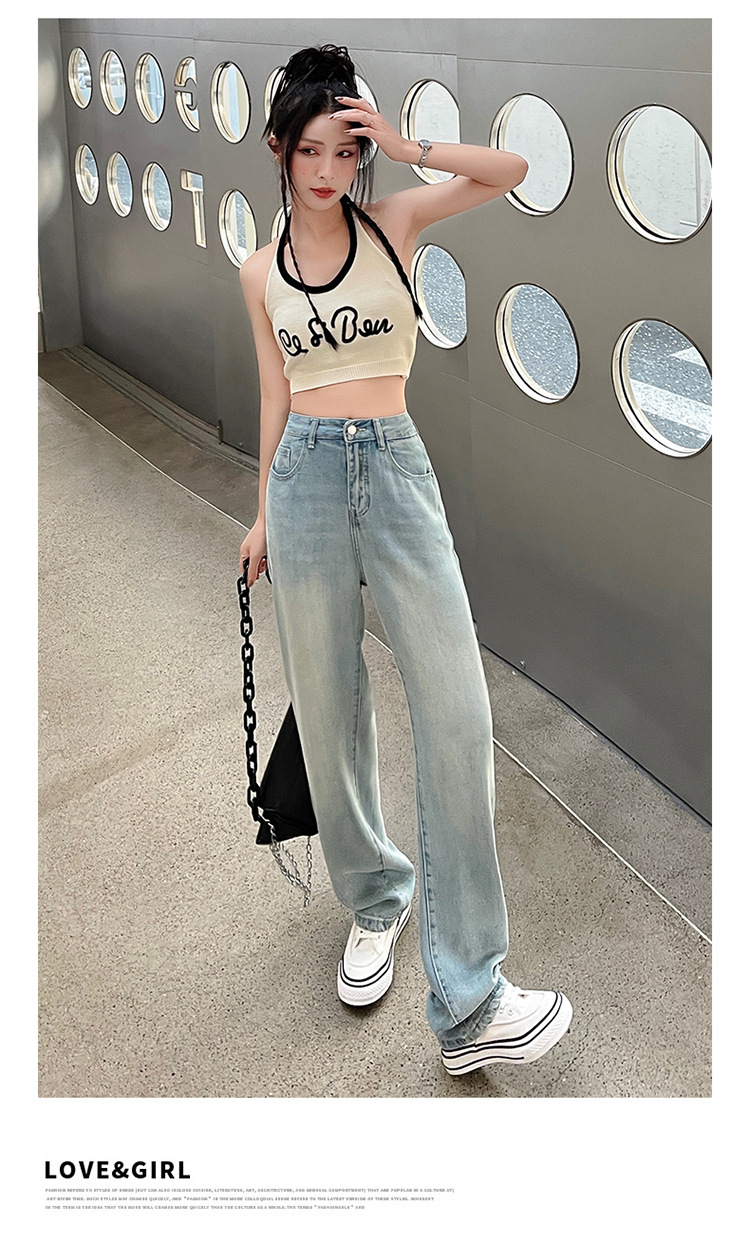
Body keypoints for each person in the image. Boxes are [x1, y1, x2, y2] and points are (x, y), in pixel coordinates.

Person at [238, 44, 572, 1075]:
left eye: (345, 150)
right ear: (279, 151)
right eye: (310, 150)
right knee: (329, 709)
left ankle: (470, 996)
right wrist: (261, 516)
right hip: (301, 480)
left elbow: (510, 171)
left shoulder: (396, 223)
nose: (329, 170)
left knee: (458, 712)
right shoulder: (258, 270)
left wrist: (404, 139)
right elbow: (276, 394)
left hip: (394, 466)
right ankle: (377, 900)